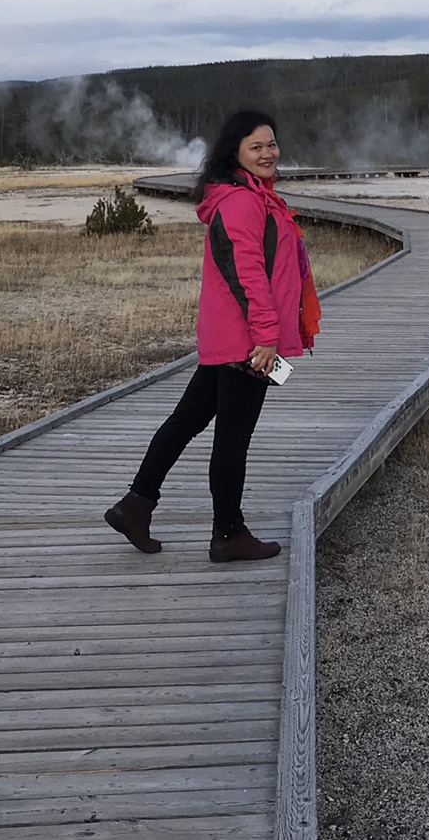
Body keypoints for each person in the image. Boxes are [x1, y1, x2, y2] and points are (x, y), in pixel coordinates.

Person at [104, 109, 321, 562]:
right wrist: (266, 336)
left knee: (185, 422)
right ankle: (228, 533)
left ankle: (135, 505)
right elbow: (248, 274)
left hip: (230, 338)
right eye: (256, 147)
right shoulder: (243, 202)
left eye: (271, 144)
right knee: (232, 439)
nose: (268, 153)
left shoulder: (252, 196)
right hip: (247, 343)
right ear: (235, 153)